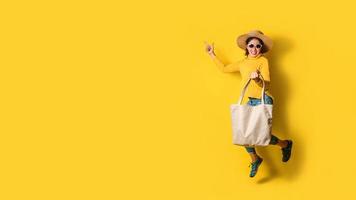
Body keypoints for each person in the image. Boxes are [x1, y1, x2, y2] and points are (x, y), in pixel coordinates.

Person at [204, 30, 293, 178]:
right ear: (246, 47)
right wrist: (211, 54)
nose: (254, 49)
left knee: (262, 136)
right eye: (251, 45)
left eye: (258, 46)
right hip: (250, 101)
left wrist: (257, 79)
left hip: (263, 100)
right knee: (243, 134)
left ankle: (285, 145)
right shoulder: (242, 63)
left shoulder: (263, 61)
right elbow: (224, 69)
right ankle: (256, 158)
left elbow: (267, 85)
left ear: (261, 48)